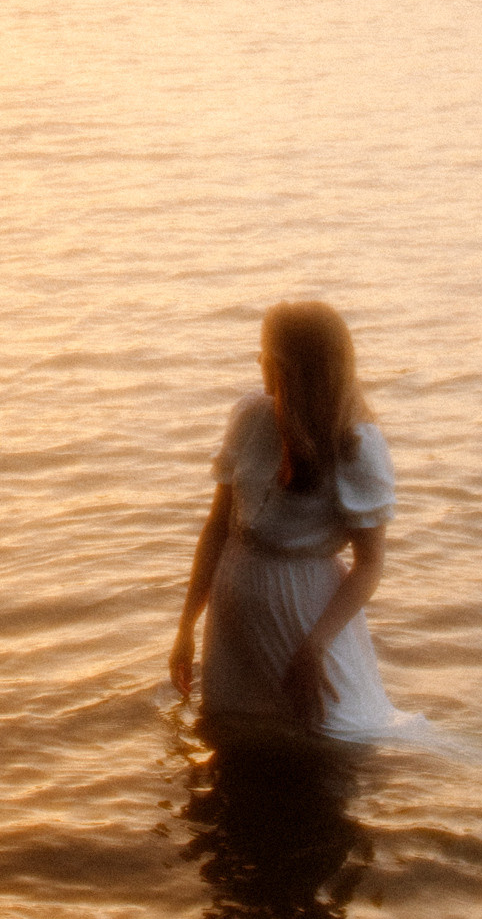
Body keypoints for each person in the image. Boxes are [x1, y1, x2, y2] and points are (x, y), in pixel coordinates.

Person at [168, 301, 407, 741]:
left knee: (329, 737)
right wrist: (186, 626)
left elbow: (370, 564)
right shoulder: (250, 416)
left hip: (306, 624)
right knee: (233, 739)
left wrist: (316, 646)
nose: (258, 364)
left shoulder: (356, 443)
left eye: (264, 355)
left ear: (287, 367)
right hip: (233, 621)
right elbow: (217, 527)